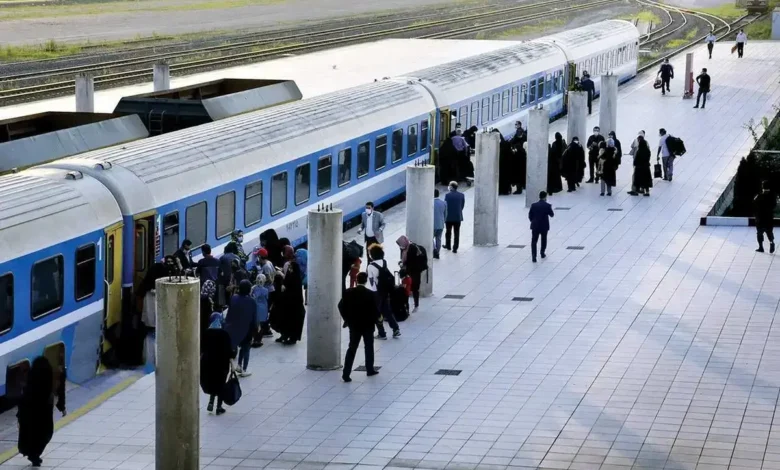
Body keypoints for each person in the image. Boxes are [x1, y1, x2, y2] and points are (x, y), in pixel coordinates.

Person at [17, 356, 65, 467]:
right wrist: (61, 405)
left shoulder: (30, 386)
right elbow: (59, 389)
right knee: (44, 433)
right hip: (43, 412)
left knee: (32, 432)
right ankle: (34, 454)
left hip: (29, 412)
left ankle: (32, 453)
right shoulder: (48, 390)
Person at [339, 272, 380, 382]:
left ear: (356, 280)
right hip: (368, 325)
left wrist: (347, 319)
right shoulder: (371, 294)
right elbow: (375, 311)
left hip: (354, 325)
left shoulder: (348, 292)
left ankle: (346, 373)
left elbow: (340, 306)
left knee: (352, 348)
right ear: (366, 281)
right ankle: (369, 369)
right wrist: (376, 320)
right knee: (369, 347)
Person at [201, 311, 232, 415]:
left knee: (212, 382)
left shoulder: (206, 333)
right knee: (221, 384)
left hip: (208, 363)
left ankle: (211, 401)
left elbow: (202, 348)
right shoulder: (224, 334)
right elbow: (229, 350)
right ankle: (219, 407)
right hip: (222, 364)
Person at [367, 245, 401, 339]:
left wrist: (373, 293)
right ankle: (395, 329)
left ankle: (382, 333)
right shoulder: (384, 262)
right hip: (386, 290)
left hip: (377, 292)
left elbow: (372, 281)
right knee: (387, 311)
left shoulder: (370, 266)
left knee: (377, 313)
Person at [224, 280, 257, 377]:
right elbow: (254, 318)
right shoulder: (252, 301)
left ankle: (238, 366)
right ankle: (243, 368)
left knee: (236, 347)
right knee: (246, 348)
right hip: (246, 329)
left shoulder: (234, 298)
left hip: (232, 327)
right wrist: (255, 329)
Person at [278, 258, 306, 345]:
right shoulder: (291, 276)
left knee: (293, 321)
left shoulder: (296, 278)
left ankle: (292, 338)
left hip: (294, 305)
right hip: (288, 304)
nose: (289, 268)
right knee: (286, 320)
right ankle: (285, 335)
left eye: (290, 267)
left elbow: (295, 292)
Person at [396, 235, 425, 313]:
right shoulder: (403, 248)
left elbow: (412, 261)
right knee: (406, 288)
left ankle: (416, 305)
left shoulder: (412, 248)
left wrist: (404, 265)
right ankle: (407, 305)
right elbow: (403, 259)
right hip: (408, 271)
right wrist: (402, 263)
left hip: (415, 271)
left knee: (415, 288)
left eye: (401, 244)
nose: (400, 247)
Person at [528, 191, 554, 263]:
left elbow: (530, 215)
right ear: (545, 197)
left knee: (534, 241)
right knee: (544, 239)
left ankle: (534, 256)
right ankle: (542, 253)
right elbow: (552, 215)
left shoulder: (534, 205)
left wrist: (533, 221)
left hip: (535, 225)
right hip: (544, 226)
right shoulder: (547, 205)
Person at [754, 181, 776, 253]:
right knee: (769, 232)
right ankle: (771, 242)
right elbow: (774, 205)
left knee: (759, 233)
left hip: (760, 217)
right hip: (769, 217)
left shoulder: (759, 196)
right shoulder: (772, 196)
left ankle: (761, 247)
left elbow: (755, 203)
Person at [444, 181, 465, 254]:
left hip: (448, 217)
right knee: (457, 233)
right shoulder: (461, 195)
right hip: (457, 217)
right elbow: (462, 206)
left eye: (449, 185)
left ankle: (448, 246)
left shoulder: (447, 195)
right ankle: (455, 248)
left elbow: (445, 206)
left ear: (451, 187)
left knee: (448, 232)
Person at [250, 274, 269, 347]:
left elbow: (251, 296)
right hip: (263, 309)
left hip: (255, 308)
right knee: (261, 325)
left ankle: (255, 339)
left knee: (255, 324)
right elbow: (267, 298)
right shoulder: (266, 290)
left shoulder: (253, 288)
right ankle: (259, 339)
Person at [433, 189, 447, 259]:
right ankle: (438, 253)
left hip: (432, 225)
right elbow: (445, 215)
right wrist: (443, 221)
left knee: (430, 239)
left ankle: (434, 250)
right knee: (438, 239)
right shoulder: (444, 203)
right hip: (441, 224)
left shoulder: (430, 203)